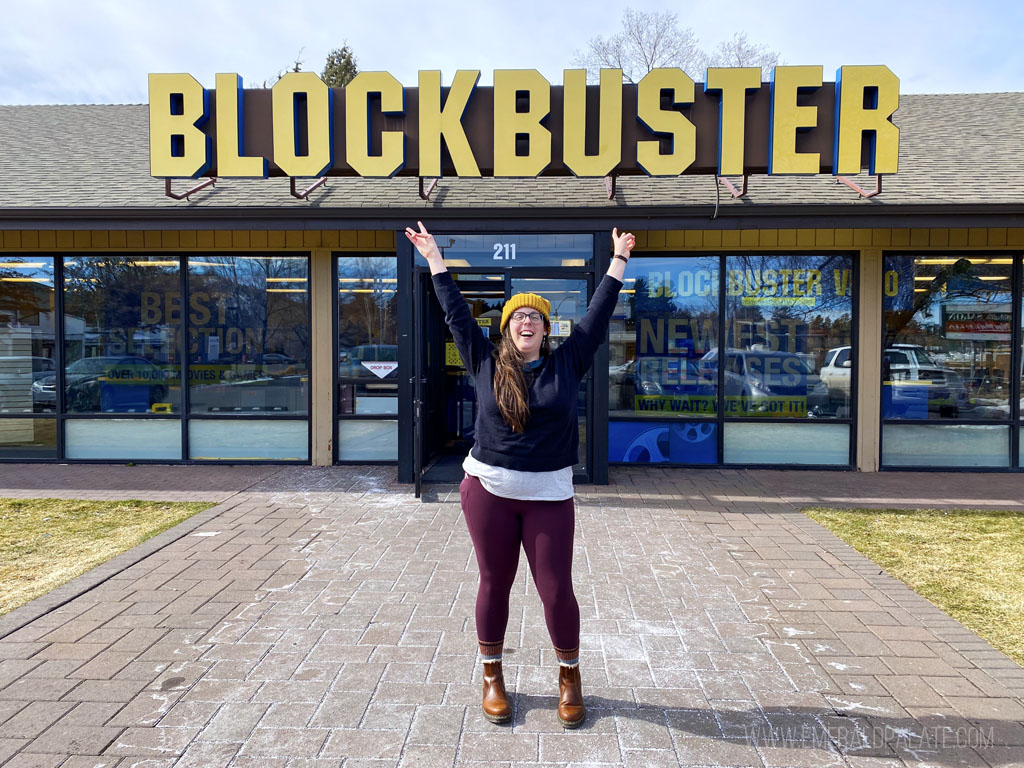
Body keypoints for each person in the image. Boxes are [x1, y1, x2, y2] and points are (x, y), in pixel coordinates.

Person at [405, 221, 635, 728]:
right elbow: (456, 314)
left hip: (549, 493)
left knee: (556, 589)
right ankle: (492, 676)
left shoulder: (568, 364)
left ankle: (569, 677)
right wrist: (436, 259)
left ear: (547, 329)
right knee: (496, 581)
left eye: (536, 316)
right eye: (518, 315)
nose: (527, 321)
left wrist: (617, 259)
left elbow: (596, 319)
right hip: (488, 489)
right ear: (507, 327)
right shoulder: (484, 360)